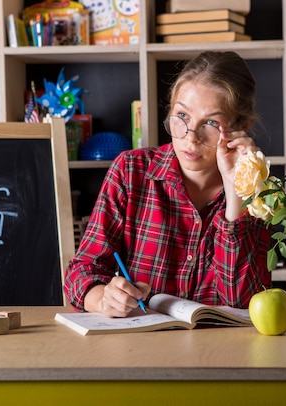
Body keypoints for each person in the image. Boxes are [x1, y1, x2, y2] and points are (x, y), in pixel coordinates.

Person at [64, 51, 272, 317]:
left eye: (210, 123)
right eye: (182, 116)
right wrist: (102, 298)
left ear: (241, 126)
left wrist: (235, 197)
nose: (191, 138)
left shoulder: (260, 192)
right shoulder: (131, 171)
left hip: (221, 351)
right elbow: (81, 271)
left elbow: (244, 301)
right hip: (142, 348)